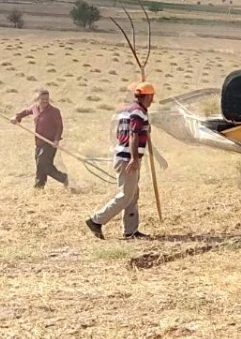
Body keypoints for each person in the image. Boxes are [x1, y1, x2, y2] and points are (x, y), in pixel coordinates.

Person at [85, 82, 155, 240]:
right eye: (152, 97)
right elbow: (133, 135)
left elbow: (120, 132)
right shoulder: (138, 112)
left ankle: (131, 230)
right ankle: (96, 220)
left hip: (123, 155)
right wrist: (133, 158)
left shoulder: (128, 110)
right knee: (126, 195)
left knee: (133, 194)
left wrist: (146, 128)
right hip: (127, 158)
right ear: (148, 96)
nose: (152, 100)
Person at [11, 88, 68, 189]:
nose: (45, 101)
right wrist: (16, 117)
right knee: (41, 164)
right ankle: (39, 186)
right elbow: (25, 112)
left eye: (47, 99)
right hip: (39, 142)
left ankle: (63, 178)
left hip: (50, 143)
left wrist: (56, 140)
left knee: (42, 162)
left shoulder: (54, 111)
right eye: (43, 99)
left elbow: (59, 127)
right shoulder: (35, 108)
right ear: (38, 99)